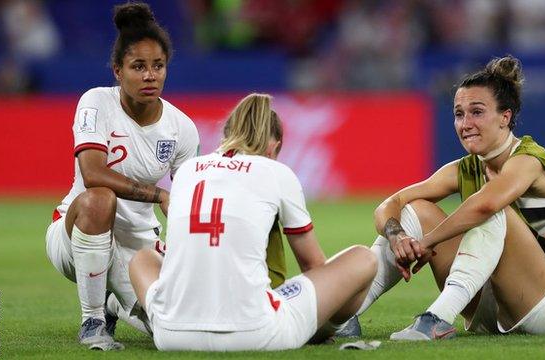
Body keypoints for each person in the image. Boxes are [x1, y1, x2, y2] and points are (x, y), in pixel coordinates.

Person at [338, 55, 545, 340]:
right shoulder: (464, 169)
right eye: (459, 114)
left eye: (477, 112)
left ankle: (436, 318)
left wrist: (427, 242)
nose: (465, 123)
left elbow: (486, 204)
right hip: (494, 306)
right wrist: (398, 237)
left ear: (505, 117)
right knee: (417, 209)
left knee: (490, 208)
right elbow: (390, 204)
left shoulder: (528, 161)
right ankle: (345, 316)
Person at [128, 93, 378, 351]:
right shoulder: (277, 172)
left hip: (170, 335)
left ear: (224, 136)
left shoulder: (188, 171)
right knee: (364, 258)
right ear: (274, 147)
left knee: (142, 259)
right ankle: (320, 331)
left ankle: (133, 310)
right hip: (255, 332)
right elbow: (313, 265)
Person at [44, 2, 200, 350]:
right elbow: (93, 172)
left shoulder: (182, 129)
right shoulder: (96, 103)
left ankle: (119, 302)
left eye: (158, 66)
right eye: (138, 67)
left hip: (140, 244)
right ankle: (93, 320)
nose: (150, 76)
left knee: (176, 331)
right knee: (100, 197)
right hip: (77, 233)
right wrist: (158, 195)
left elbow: (189, 200)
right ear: (118, 71)